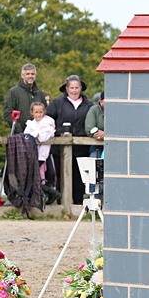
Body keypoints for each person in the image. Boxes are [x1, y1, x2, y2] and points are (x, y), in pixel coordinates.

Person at [46, 75, 93, 205]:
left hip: (82, 147)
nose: (74, 90)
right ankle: (62, 205)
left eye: (77, 87)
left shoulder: (89, 104)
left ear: (81, 88)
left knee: (79, 178)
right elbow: (48, 120)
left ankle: (78, 205)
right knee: (61, 177)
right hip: (60, 147)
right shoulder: (58, 103)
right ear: (66, 88)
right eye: (71, 88)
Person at [23, 100, 58, 202]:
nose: (38, 114)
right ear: (32, 112)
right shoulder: (30, 124)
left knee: (41, 176)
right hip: (32, 154)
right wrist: (36, 133)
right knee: (32, 176)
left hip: (43, 155)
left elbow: (43, 137)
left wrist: (35, 133)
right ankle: (43, 195)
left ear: (44, 112)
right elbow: (26, 136)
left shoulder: (48, 123)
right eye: (36, 112)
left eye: (40, 112)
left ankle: (48, 194)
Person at [3, 63, 51, 131]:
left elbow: (46, 113)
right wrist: (18, 129)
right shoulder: (14, 92)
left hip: (39, 135)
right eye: (28, 74)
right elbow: (7, 113)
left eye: (32, 74)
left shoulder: (40, 94)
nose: (30, 76)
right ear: (22, 75)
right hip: (20, 134)